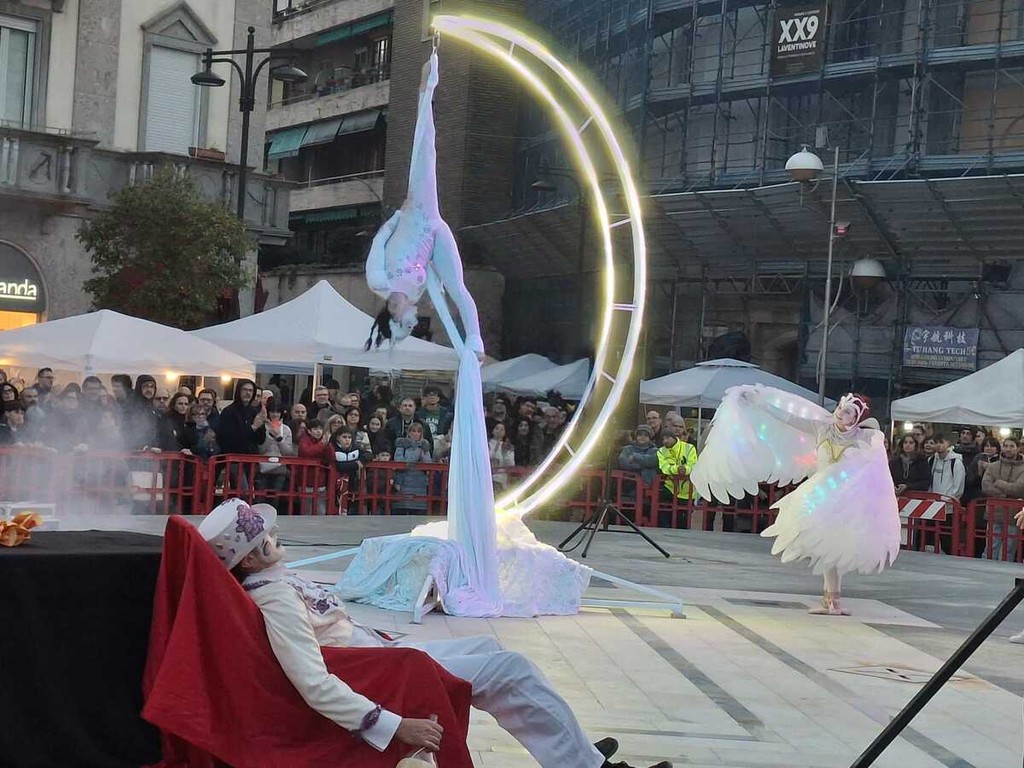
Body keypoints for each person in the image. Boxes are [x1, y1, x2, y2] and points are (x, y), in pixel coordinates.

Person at [196, 498, 670, 768]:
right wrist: (389, 724)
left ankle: (575, 753)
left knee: (489, 649)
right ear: (251, 558)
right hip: (380, 674)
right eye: (266, 538)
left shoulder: (272, 584)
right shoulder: (275, 598)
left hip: (382, 654)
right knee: (509, 669)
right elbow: (312, 680)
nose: (276, 537)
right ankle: (585, 766)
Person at [692, 389, 900, 616]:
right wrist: (760, 403)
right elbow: (790, 418)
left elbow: (876, 457)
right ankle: (831, 601)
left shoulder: (865, 438)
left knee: (835, 548)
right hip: (821, 497)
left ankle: (832, 601)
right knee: (826, 547)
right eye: (840, 407)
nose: (840, 413)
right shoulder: (822, 428)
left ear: (856, 418)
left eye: (848, 412)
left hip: (847, 502)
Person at [980, 436, 1024, 561]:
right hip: (994, 514)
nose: (1008, 449)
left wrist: (998, 483)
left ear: (1018, 449)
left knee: (1008, 551)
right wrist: (1005, 495)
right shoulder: (993, 466)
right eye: (1006, 446)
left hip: (1013, 516)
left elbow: (1019, 488)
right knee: (990, 549)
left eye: (1012, 446)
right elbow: (986, 486)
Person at [656, 430, 697, 528]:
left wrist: (686, 469)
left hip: (687, 491)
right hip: (669, 488)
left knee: (683, 523)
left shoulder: (689, 448)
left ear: (674, 438)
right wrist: (677, 469)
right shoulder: (661, 451)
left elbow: (693, 465)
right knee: (665, 520)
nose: (665, 441)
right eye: (663, 439)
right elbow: (664, 467)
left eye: (667, 438)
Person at [393, 422, 433, 515]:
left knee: (418, 514)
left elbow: (428, 464)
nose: (416, 434)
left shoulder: (424, 447)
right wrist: (416, 454)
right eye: (413, 431)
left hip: (420, 484)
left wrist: (423, 456)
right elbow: (398, 462)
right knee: (402, 511)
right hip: (404, 482)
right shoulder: (402, 446)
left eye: (419, 432)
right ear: (409, 432)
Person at [332, 429, 368, 514]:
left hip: (352, 484)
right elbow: (338, 466)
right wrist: (355, 465)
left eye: (349, 437)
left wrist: (361, 461)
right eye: (344, 437)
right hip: (335, 484)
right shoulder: (332, 448)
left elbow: (368, 455)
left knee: (352, 508)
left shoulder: (355, 448)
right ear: (338, 438)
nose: (347, 440)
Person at [487, 422, 515, 491]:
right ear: (493, 431)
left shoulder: (507, 446)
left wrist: (504, 453)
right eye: (497, 428)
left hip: (502, 479)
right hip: (489, 477)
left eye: (502, 429)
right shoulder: (486, 444)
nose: (499, 431)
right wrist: (495, 450)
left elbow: (511, 464)